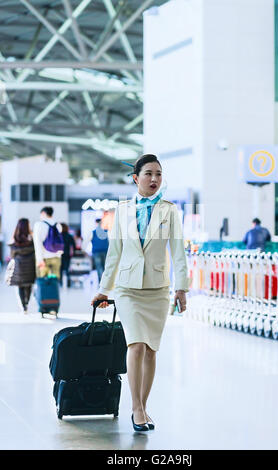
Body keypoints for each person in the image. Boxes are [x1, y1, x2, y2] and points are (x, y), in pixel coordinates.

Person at [92, 154, 189, 432]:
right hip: (127, 288)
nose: (154, 179)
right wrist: (103, 290)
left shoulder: (169, 210)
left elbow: (178, 252)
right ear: (136, 178)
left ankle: (144, 406)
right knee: (135, 345)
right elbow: (115, 253)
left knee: (150, 351)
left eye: (158, 174)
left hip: (157, 290)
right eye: (148, 174)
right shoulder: (121, 211)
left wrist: (181, 287)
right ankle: (136, 408)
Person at [6, 218, 35, 314]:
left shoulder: (14, 239)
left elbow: (12, 255)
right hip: (30, 265)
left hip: (19, 265)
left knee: (20, 286)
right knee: (29, 285)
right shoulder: (32, 238)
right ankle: (26, 303)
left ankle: (24, 306)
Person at [33, 206, 63, 279]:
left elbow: (37, 243)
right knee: (54, 281)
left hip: (44, 258)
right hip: (57, 257)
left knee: (43, 281)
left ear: (43, 213)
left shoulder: (38, 225)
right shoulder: (58, 225)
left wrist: (39, 259)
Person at [83, 218, 109, 283]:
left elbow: (86, 242)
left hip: (96, 252)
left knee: (99, 267)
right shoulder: (106, 232)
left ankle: (101, 282)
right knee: (105, 267)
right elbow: (110, 242)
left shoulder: (93, 232)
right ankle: (105, 282)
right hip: (105, 251)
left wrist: (83, 250)